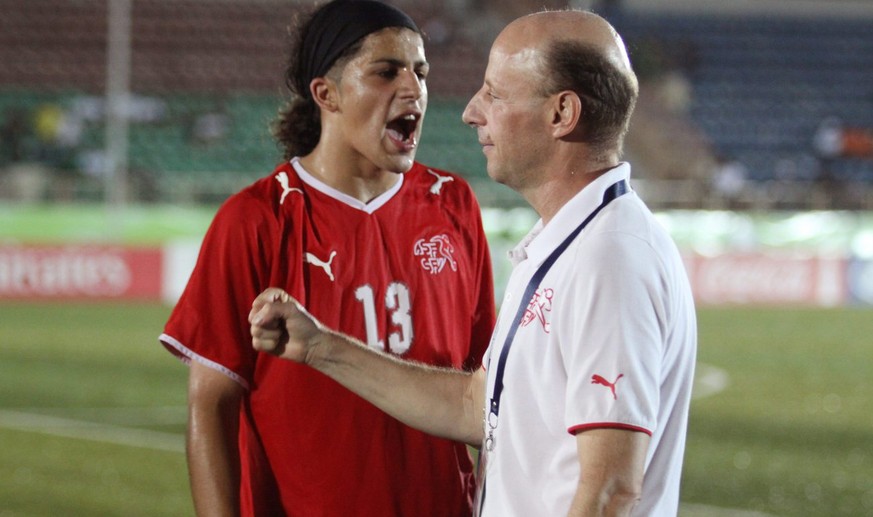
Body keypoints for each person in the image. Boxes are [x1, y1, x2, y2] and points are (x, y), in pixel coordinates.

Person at [251, 9, 697, 517]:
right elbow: (474, 406)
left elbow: (611, 489)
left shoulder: (610, 258)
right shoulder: (564, 241)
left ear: (561, 114)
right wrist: (320, 346)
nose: (470, 111)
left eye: (495, 94)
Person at [159, 0, 496, 515]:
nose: (413, 88)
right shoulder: (256, 220)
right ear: (326, 94)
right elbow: (211, 404)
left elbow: (486, 392)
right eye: (386, 71)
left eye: (420, 72)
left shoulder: (453, 204)